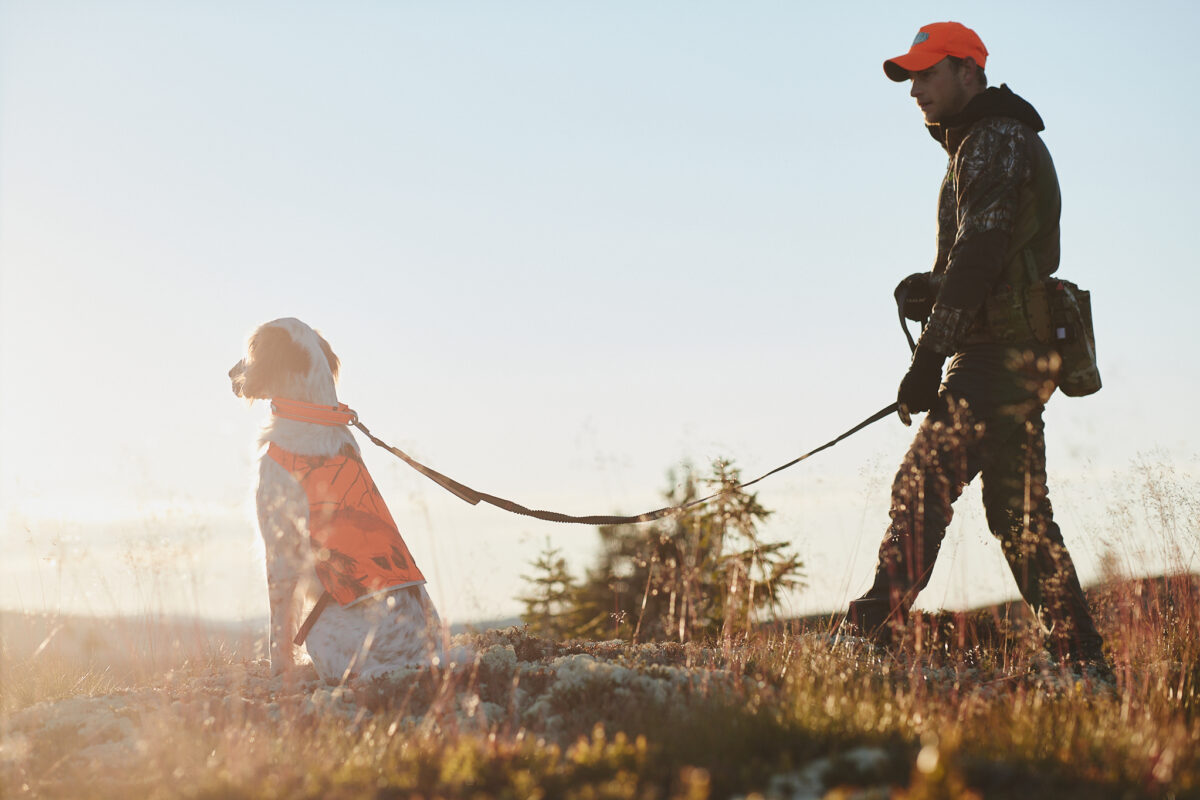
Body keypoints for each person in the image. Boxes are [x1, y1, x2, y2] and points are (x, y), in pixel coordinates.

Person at [844, 22, 1109, 671]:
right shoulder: (979, 142)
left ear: (969, 71)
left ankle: (867, 637)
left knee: (924, 481)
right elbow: (985, 256)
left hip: (998, 355)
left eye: (928, 73)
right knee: (1018, 515)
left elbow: (982, 255)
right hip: (1011, 347)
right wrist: (932, 288)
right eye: (910, 77)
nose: (915, 90)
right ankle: (1083, 661)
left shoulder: (993, 138)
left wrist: (928, 359)